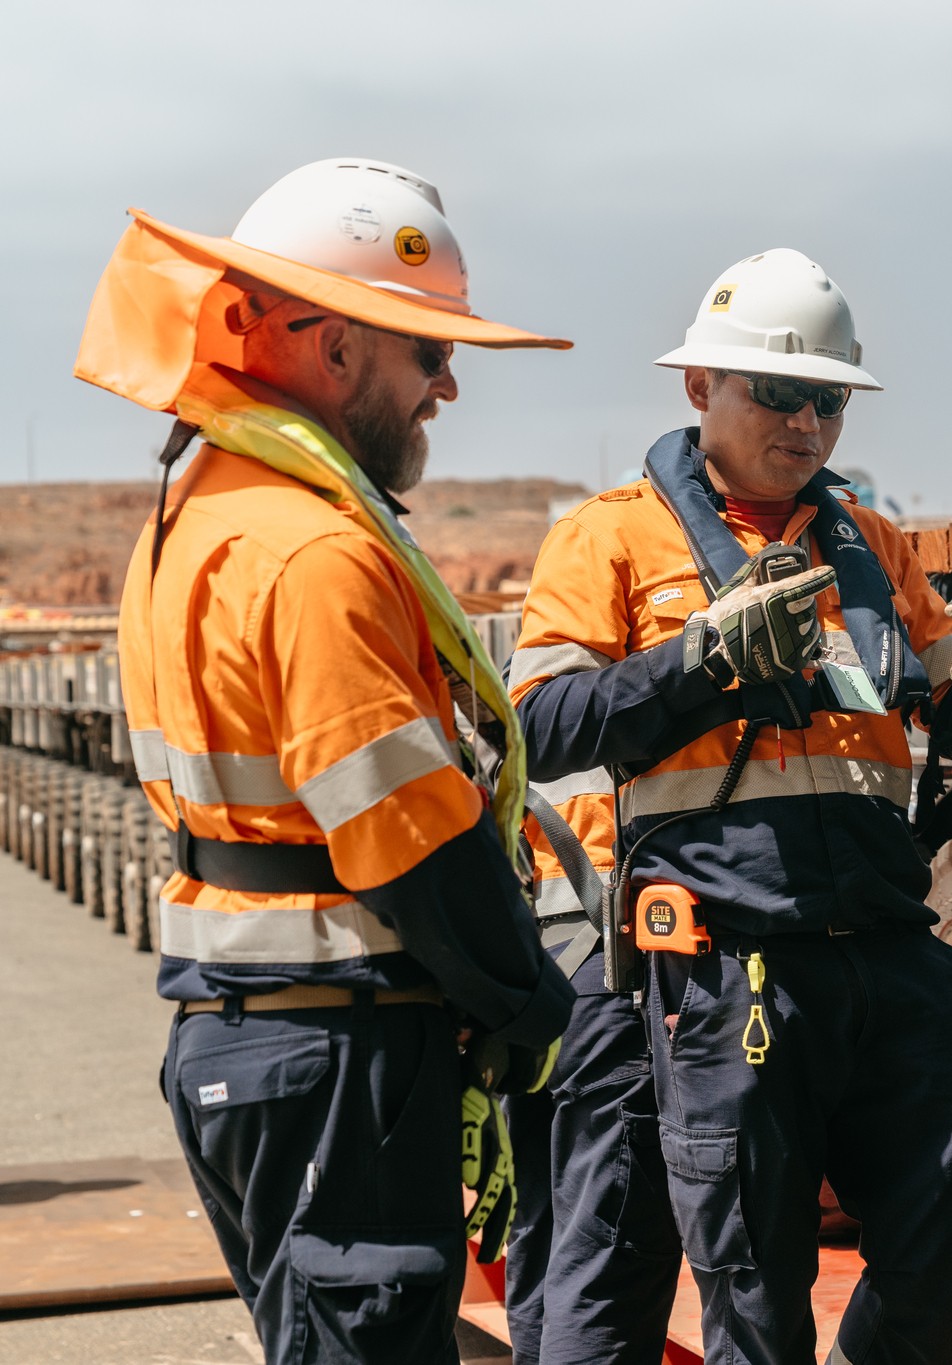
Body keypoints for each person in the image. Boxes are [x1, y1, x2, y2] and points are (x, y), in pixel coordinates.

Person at [508, 247, 952, 1365]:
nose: (808, 423)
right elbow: (544, 726)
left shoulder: (871, 547)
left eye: (829, 400)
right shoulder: (608, 537)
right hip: (727, 962)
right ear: (699, 386)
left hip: (884, 945)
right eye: (778, 392)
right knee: (753, 1294)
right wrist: (701, 662)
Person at [81, 158, 575, 1363]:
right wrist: (531, 1004)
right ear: (336, 347)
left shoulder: (201, 511)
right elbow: (409, 833)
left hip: (260, 1043)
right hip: (336, 1058)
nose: (447, 385)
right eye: (428, 351)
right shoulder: (312, 553)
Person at [501, 770, 684, 1364]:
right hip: (609, 970)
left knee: (544, 1229)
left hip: (532, 970)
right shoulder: (611, 710)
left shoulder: (515, 713)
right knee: (608, 1245)